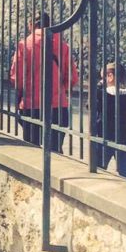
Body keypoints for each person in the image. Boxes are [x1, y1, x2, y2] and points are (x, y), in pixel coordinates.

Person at [9, 12, 79, 152]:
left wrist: (23, 91)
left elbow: (17, 77)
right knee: (55, 150)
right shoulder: (63, 46)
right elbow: (72, 77)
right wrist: (60, 90)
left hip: (32, 104)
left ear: (31, 25)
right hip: (57, 105)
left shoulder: (24, 45)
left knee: (32, 149)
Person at [94, 62, 126, 179]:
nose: (102, 80)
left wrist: (99, 86)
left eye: (103, 77)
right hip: (125, 135)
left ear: (110, 77)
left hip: (104, 135)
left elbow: (89, 106)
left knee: (98, 167)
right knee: (125, 169)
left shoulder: (102, 95)